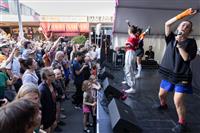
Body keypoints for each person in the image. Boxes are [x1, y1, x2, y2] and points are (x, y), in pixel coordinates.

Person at [156, 8, 197, 133]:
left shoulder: (191, 42)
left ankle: (182, 123)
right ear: (178, 27)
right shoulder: (171, 38)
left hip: (182, 75)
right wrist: (183, 15)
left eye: (187, 26)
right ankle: (163, 105)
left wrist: (179, 45)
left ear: (189, 31)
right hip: (168, 72)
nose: (184, 26)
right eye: (183, 24)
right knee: (161, 95)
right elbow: (167, 24)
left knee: (177, 100)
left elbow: (186, 58)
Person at [122, 20, 139, 93]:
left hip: (130, 53)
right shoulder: (133, 36)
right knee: (127, 67)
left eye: (128, 29)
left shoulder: (132, 38)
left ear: (130, 31)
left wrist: (120, 47)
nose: (128, 30)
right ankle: (128, 81)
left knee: (130, 69)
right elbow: (130, 29)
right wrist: (128, 24)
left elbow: (129, 46)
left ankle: (132, 87)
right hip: (130, 52)